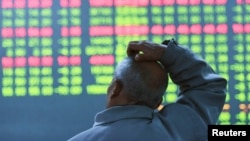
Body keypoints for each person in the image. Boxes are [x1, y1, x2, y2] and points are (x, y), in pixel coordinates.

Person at [68, 39, 227, 141]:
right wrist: (169, 54)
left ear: (115, 88)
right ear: (158, 102)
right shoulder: (181, 129)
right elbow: (208, 86)